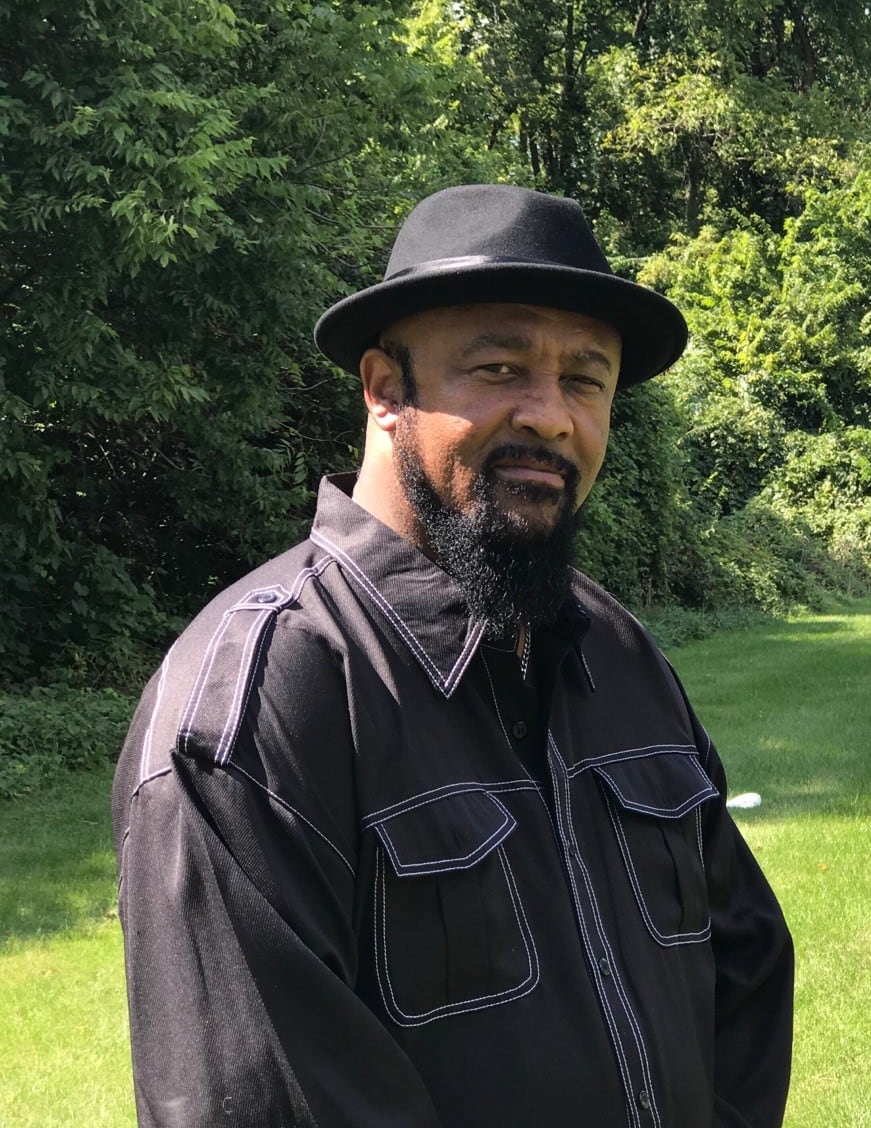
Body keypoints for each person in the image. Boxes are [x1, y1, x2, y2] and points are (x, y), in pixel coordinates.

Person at [110, 185, 794, 1127]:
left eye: (586, 379)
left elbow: (745, 963)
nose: (552, 416)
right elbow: (261, 1105)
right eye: (501, 366)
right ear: (385, 389)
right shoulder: (257, 708)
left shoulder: (617, 653)